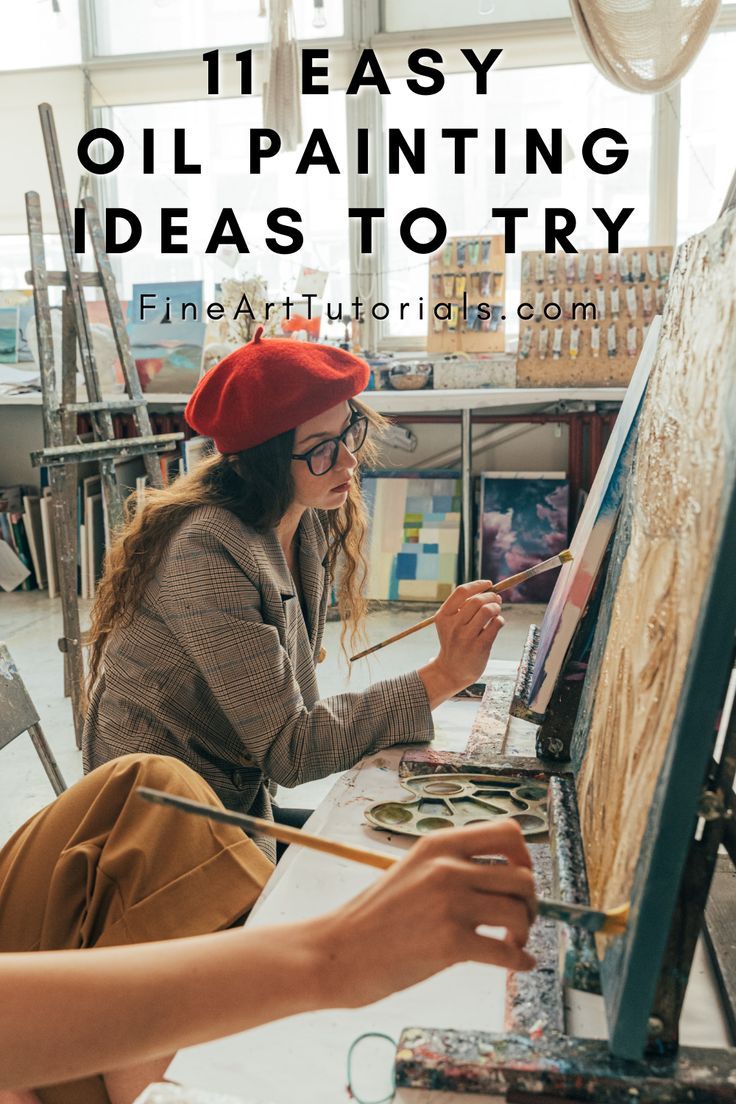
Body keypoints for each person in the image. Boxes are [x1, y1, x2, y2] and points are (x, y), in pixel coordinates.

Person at [82, 328, 506, 857]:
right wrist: (444, 675)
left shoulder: (301, 520)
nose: (348, 462)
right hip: (160, 837)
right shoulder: (206, 552)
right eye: (320, 450)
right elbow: (291, 748)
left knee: (416, 848)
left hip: (234, 798)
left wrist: (437, 681)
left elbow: (288, 723)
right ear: (259, 462)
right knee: (393, 872)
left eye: (349, 432)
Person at [0, 753, 537, 1104]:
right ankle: (156, 1078)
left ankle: (165, 1067)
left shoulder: (289, 573)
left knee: (152, 785)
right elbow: (292, 742)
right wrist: (330, 956)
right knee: (160, 805)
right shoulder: (202, 573)